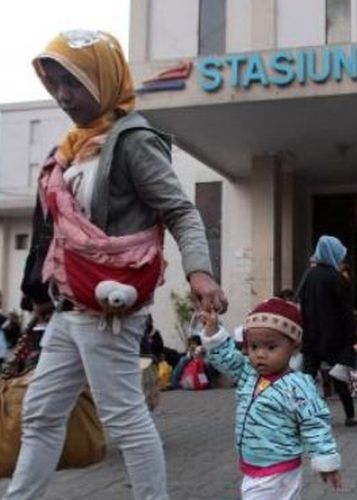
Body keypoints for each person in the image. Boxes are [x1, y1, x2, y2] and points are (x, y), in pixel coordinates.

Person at [5, 30, 226, 500]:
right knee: (42, 412)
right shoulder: (66, 149)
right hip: (69, 306)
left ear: (105, 80)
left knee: (123, 417)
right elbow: (54, 232)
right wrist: (41, 293)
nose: (64, 96)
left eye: (76, 82)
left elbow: (181, 211)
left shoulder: (131, 141)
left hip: (109, 306)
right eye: (56, 83)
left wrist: (199, 271)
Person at [200, 298, 342, 499]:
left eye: (271, 347)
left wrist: (326, 460)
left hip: (279, 470)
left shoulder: (297, 385)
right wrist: (213, 331)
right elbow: (227, 357)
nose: (260, 355)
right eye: (254, 346)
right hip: (253, 467)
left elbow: (315, 424)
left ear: (294, 347)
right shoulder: (248, 373)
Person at [298, 235, 357, 426]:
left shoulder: (308, 275)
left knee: (307, 378)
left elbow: (299, 302)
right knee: (343, 375)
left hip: (311, 336)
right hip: (335, 337)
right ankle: (354, 414)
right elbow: (346, 314)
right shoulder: (338, 278)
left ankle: (300, 417)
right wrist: (354, 339)